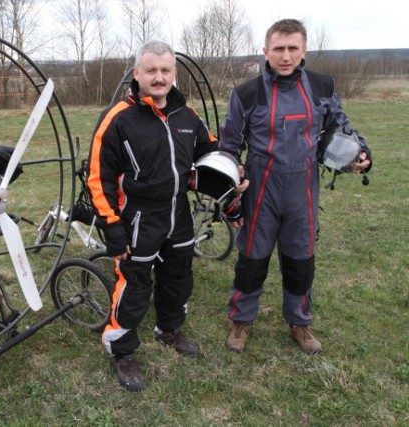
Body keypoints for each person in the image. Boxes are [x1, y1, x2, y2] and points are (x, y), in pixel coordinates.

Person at [87, 40, 245, 392]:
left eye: (165, 71)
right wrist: (112, 225)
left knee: (178, 277)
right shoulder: (117, 119)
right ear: (136, 74)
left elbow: (210, 149)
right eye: (151, 71)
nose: (159, 78)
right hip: (137, 217)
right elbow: (98, 177)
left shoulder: (186, 116)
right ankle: (122, 350)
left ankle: (168, 329)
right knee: (133, 284)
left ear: (174, 73)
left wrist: (234, 170)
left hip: (177, 211)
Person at [219, 19, 372, 355]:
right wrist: (232, 193)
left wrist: (360, 153)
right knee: (252, 260)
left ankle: (300, 323)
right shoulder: (246, 93)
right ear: (265, 51)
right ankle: (241, 321)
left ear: (304, 50)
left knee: (301, 260)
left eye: (292, 48)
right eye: (278, 48)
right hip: (261, 189)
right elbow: (229, 147)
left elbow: (339, 129)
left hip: (303, 187)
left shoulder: (322, 86)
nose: (285, 56)